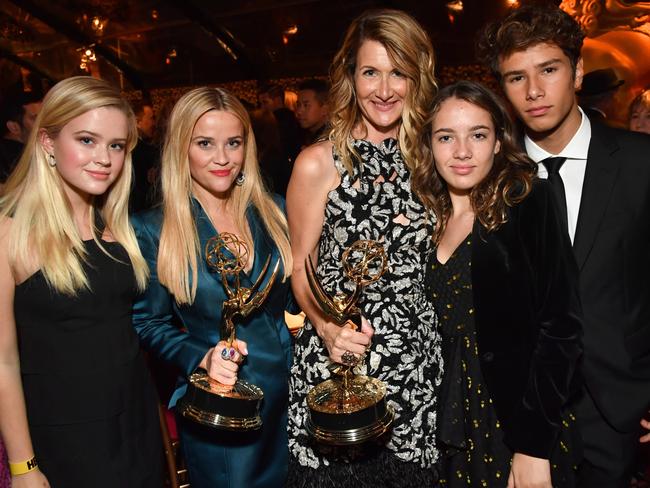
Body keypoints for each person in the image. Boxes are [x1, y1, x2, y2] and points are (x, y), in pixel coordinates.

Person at [478, 5, 650, 486]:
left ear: (576, 72)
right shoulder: (485, 178)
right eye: (516, 78)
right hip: (517, 413)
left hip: (617, 407)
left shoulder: (640, 165)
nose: (533, 92)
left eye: (548, 70)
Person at [286, 8, 441, 487]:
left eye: (399, 73)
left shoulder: (437, 158)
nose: (384, 89)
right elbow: (300, 268)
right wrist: (326, 327)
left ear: (419, 78)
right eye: (370, 72)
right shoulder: (318, 162)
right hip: (341, 361)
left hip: (418, 364)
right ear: (350, 77)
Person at [413, 80, 582, 487]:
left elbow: (561, 329)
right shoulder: (422, 217)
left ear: (498, 141)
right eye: (446, 137)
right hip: (437, 419)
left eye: (478, 134)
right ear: (429, 146)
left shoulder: (529, 202)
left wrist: (533, 446)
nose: (462, 151)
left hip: (511, 418)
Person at [0, 76, 163, 487]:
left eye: (116, 145)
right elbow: (2, 360)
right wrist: (23, 466)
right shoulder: (9, 232)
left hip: (135, 423)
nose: (104, 158)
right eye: (87, 140)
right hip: (62, 436)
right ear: (48, 143)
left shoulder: (118, 228)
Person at [132, 87, 294, 488]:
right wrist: (200, 357)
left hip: (293, 394)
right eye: (205, 143)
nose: (222, 158)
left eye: (233, 143)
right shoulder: (155, 229)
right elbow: (147, 323)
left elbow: (299, 297)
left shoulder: (276, 209)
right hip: (224, 407)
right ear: (181, 149)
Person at [0, 91, 42, 184]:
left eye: (44, 116)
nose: (44, 123)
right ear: (14, 127)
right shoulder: (16, 163)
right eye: (35, 118)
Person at [295, 78, 330, 147]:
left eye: (306, 105)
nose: (299, 111)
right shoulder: (304, 136)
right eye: (298, 105)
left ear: (324, 109)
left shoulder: (330, 141)